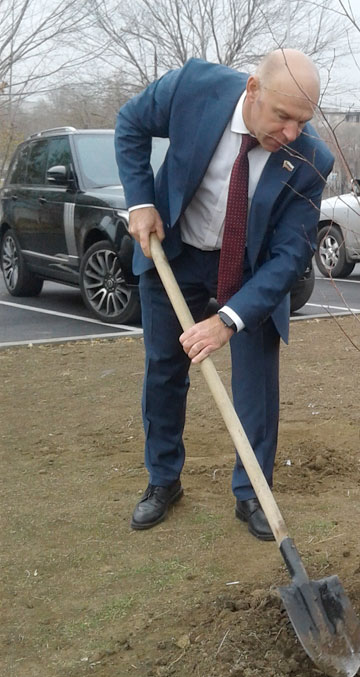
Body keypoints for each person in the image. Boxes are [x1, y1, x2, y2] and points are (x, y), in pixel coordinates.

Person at [115, 49, 334, 541]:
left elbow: (287, 259)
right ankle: (163, 481)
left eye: (304, 121)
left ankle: (252, 492)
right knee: (165, 371)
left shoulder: (311, 159)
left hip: (251, 271)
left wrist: (228, 320)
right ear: (252, 90)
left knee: (257, 384)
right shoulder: (194, 88)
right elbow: (130, 122)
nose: (292, 133)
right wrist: (142, 201)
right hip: (178, 253)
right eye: (283, 117)